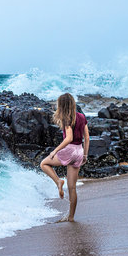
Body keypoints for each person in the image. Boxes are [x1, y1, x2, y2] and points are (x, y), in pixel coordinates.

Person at [40, 93, 90, 222]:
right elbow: (87, 137)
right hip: (79, 150)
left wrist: (55, 150)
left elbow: (69, 138)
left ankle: (58, 181)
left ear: (61, 105)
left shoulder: (67, 118)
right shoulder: (82, 117)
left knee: (44, 164)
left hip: (70, 150)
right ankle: (71, 217)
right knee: (72, 187)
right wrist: (85, 154)